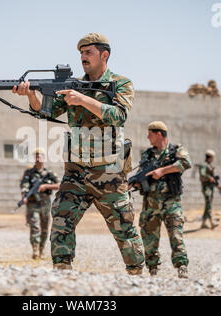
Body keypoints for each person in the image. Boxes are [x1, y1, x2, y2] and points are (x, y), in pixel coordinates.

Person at [12, 33, 145, 275]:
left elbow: (118, 116)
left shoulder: (121, 83)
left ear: (104, 55)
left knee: (124, 228)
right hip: (75, 171)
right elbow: (47, 113)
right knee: (61, 219)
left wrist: (82, 99)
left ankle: (137, 277)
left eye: (88, 52)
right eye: (81, 53)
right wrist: (31, 95)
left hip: (109, 173)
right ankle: (62, 275)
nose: (83, 57)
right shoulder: (71, 85)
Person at [135, 121, 192, 279]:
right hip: (151, 204)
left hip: (171, 203)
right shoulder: (147, 154)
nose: (147, 137)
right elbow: (142, 173)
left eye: (150, 134)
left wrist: (162, 171)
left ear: (159, 134)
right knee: (149, 238)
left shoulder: (176, 150)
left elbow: (186, 163)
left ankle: (182, 266)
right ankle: (153, 269)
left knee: (176, 235)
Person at [20, 149, 60, 259]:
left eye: (40, 157)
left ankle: (42, 249)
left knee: (45, 228)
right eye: (36, 157)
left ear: (44, 158)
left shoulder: (49, 173)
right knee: (34, 227)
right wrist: (24, 196)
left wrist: (46, 186)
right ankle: (35, 250)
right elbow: (24, 185)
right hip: (33, 203)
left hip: (45, 203)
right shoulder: (29, 173)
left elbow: (59, 185)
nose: (38, 159)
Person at [199, 150, 220, 230]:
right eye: (212, 157)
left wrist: (217, 184)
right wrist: (210, 178)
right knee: (209, 205)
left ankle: (203, 223)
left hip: (210, 188)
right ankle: (211, 222)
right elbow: (202, 174)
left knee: (208, 205)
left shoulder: (210, 165)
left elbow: (213, 178)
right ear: (210, 157)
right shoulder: (204, 165)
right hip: (206, 188)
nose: (213, 159)